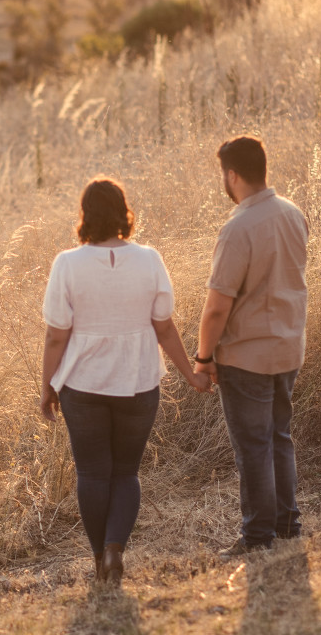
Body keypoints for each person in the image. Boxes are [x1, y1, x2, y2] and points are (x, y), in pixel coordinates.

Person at [40, 176, 210, 585]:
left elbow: (56, 335)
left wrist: (47, 386)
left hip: (82, 385)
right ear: (123, 213)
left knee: (92, 474)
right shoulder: (149, 259)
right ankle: (116, 549)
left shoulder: (67, 264)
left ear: (85, 216)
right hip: (138, 381)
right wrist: (191, 374)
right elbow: (164, 327)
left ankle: (100, 558)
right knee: (126, 473)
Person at [194, 136, 308, 555]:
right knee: (279, 437)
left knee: (254, 447)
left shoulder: (237, 228)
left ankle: (258, 536)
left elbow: (216, 308)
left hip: (247, 355)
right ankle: (287, 524)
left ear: (232, 175)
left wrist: (204, 358)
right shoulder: (293, 214)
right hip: (288, 347)